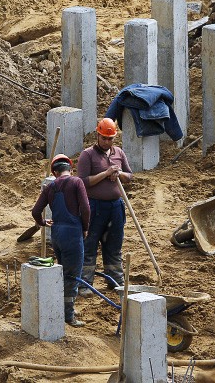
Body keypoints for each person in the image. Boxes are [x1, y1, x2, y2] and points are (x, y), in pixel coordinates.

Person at [31, 154, 90, 327]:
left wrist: (42, 223)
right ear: (69, 170)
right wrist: (85, 227)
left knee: (61, 272)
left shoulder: (50, 187)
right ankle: (68, 316)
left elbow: (35, 211)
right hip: (72, 234)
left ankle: (63, 307)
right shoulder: (77, 182)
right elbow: (86, 208)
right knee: (72, 275)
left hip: (56, 235)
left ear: (55, 173)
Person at [77, 118, 133, 297]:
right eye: (104, 138)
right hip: (94, 207)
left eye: (110, 139)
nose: (107, 142)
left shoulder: (119, 153)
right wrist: (105, 174)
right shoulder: (87, 155)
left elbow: (129, 176)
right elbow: (83, 182)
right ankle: (85, 283)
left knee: (114, 245)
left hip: (115, 207)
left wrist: (119, 173)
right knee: (90, 244)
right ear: (97, 136)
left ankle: (115, 281)